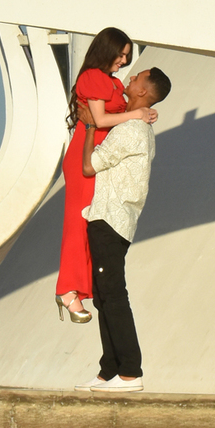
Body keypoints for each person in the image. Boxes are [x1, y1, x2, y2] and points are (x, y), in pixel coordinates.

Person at [75, 66, 171, 393]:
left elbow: (89, 166)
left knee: (113, 294)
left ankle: (130, 371)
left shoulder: (131, 129)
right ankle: (109, 369)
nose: (129, 79)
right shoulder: (137, 126)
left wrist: (89, 124)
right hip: (113, 219)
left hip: (110, 218)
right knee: (104, 294)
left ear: (144, 91)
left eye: (136, 78)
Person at [56, 28, 158, 324]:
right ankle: (67, 290)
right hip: (84, 158)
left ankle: (80, 288)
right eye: (121, 54)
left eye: (127, 56)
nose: (124, 61)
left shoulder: (112, 83)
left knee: (90, 223)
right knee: (78, 221)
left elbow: (123, 114)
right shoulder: (92, 78)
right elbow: (99, 120)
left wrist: (146, 113)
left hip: (101, 158)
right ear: (106, 49)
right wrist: (136, 115)